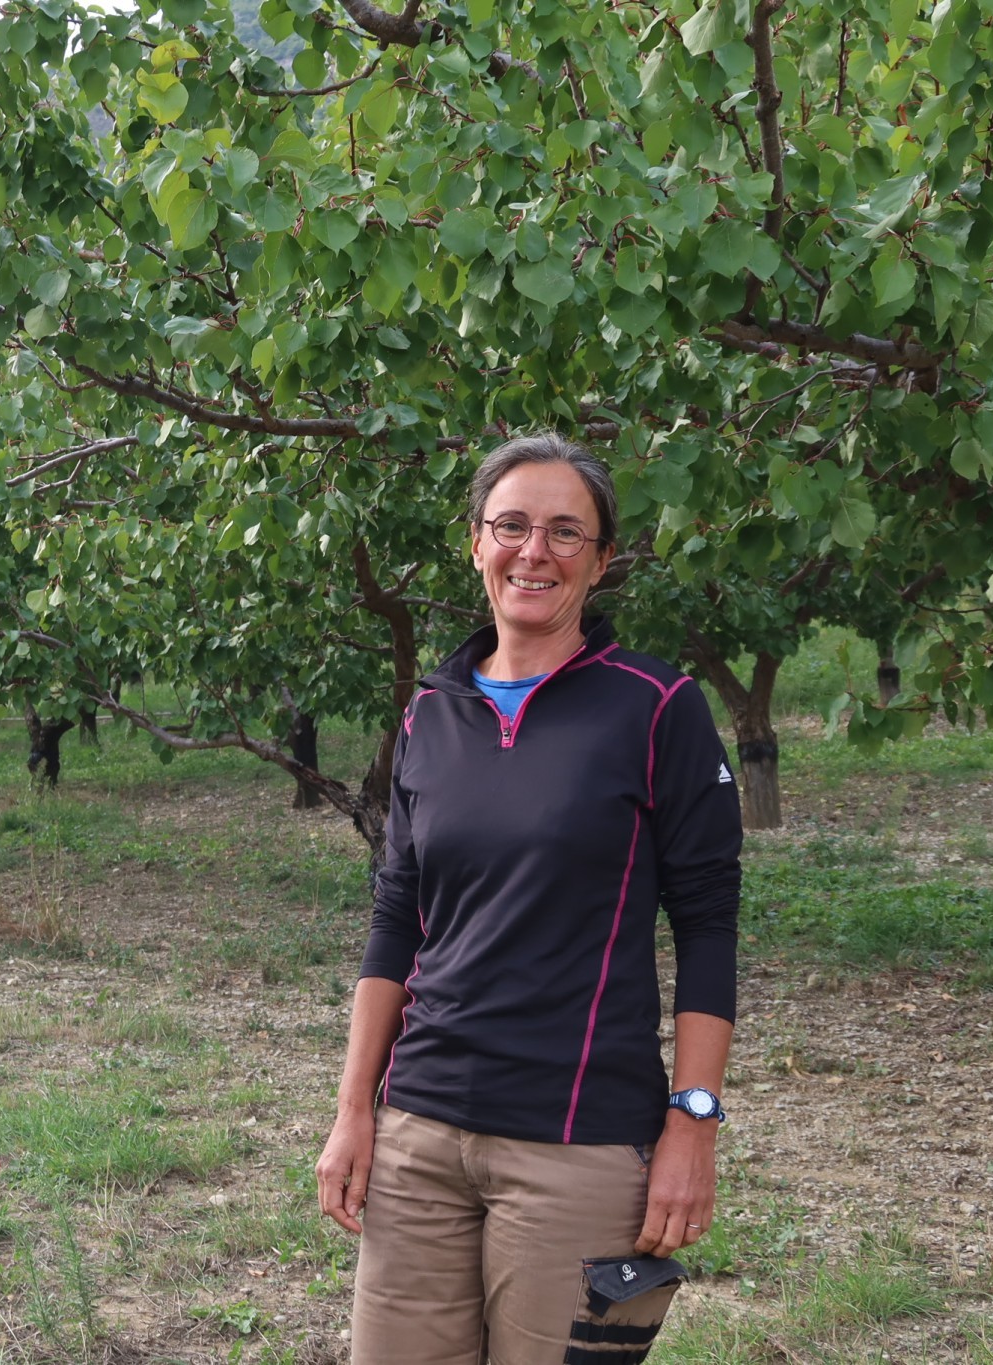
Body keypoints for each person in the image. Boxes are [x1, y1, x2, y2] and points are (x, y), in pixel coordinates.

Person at [315, 432, 742, 1364]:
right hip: (421, 1131)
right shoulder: (431, 714)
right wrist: (356, 1111)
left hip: (578, 1145)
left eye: (564, 531)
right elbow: (396, 923)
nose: (533, 551)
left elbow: (708, 926)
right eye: (511, 525)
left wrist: (693, 1122)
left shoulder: (655, 705)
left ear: (602, 558)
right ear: (476, 541)